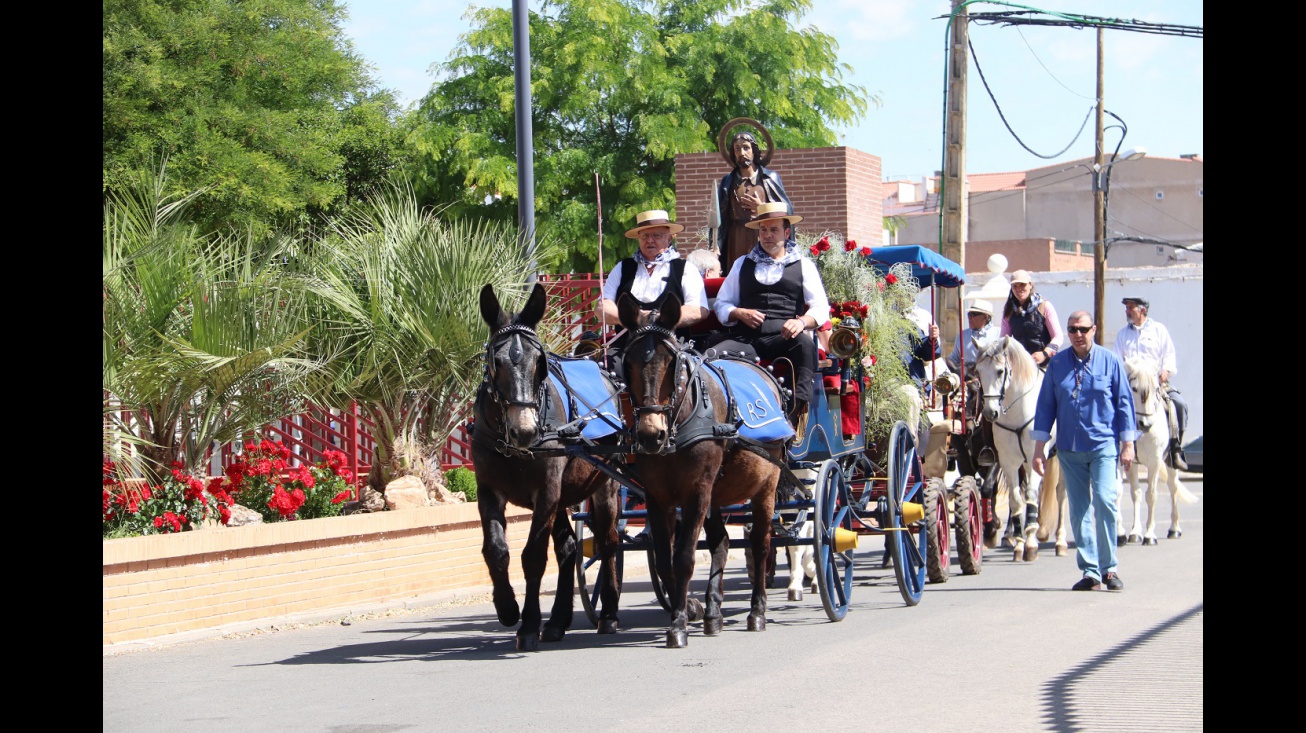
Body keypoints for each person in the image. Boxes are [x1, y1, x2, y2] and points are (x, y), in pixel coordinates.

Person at [1031, 310, 1138, 592]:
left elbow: (1125, 404)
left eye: (1083, 329)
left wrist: (1128, 444)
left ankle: (1109, 569)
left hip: (1103, 445)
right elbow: (1045, 408)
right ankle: (1090, 572)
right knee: (1078, 511)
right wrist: (1039, 449)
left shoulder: (1110, 361)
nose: (1078, 334)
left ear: (1094, 329)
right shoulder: (1057, 366)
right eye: (1072, 329)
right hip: (1069, 448)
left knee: (1104, 501)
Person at [711, 201, 830, 443]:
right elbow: (722, 304)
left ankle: (797, 415)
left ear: (786, 233)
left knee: (805, 346)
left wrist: (802, 322)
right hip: (747, 339)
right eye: (763, 230)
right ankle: (721, 417)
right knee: (712, 355)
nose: (767, 235)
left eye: (773, 230)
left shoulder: (803, 265)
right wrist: (738, 313)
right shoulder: (741, 264)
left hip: (783, 338)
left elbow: (820, 307)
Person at [599, 209, 709, 370]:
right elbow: (602, 306)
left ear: (669, 238)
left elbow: (699, 309)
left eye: (656, 235)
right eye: (644, 236)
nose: (650, 240)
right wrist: (634, 319)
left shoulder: (685, 269)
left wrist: (657, 319)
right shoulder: (623, 268)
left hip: (672, 345)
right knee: (603, 369)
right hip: (627, 346)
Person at [1113, 296, 1188, 470]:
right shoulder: (1122, 334)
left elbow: (1169, 355)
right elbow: (1117, 359)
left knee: (1179, 404)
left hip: (1156, 385)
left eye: (1130, 307)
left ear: (1142, 310)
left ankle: (1175, 449)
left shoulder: (1158, 330)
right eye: (1127, 308)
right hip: (1132, 386)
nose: (1127, 311)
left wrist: (1166, 371)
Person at [716, 131, 793, 273]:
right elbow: (718, 216)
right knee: (737, 274)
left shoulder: (769, 178)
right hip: (735, 236)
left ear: (754, 150)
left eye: (746, 147)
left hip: (761, 234)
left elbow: (786, 210)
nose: (742, 152)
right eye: (737, 149)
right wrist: (715, 244)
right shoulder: (728, 181)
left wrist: (762, 208)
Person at [1001, 269, 1064, 368]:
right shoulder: (1009, 311)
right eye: (1015, 286)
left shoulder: (1044, 306)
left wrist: (1044, 354)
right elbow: (1004, 340)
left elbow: (1058, 337)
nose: (1018, 289)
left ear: (1030, 284)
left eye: (1022, 285)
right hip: (1021, 366)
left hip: (1046, 365)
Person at [947, 299, 999, 374]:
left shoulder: (998, 334)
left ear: (985, 317)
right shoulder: (963, 335)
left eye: (973, 314)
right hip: (969, 381)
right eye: (969, 314)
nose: (969, 317)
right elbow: (953, 360)